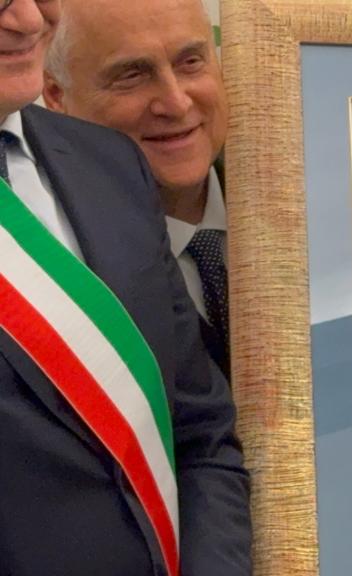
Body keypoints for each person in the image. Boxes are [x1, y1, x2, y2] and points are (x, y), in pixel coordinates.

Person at [0, 0, 251, 574]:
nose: (29, 20)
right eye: (131, 74)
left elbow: (201, 434)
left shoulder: (111, 165)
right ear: (59, 92)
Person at [42, 0, 231, 377]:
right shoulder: (46, 272)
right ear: (57, 96)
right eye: (132, 75)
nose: (176, 103)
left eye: (191, 62)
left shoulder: (322, 196)